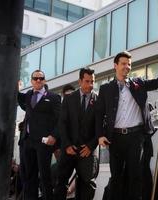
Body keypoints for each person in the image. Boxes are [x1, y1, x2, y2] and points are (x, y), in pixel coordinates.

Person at [96, 50, 158, 200]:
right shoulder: (105, 89)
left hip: (135, 137)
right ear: (115, 65)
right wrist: (100, 135)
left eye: (129, 64)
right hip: (115, 138)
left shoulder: (138, 84)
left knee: (135, 176)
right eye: (123, 64)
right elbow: (99, 113)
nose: (127, 67)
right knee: (116, 177)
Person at [54, 68, 99, 200]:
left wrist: (91, 146)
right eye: (87, 81)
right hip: (69, 150)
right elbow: (62, 124)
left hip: (87, 152)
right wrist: (67, 145)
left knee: (88, 185)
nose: (90, 85)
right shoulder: (68, 99)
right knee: (61, 184)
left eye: (92, 82)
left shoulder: (99, 100)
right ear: (80, 81)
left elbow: (101, 127)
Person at [17, 69, 61, 200]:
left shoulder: (53, 97)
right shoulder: (29, 95)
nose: (38, 80)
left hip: (43, 143)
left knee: (45, 177)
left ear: (44, 81)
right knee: (29, 178)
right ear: (31, 81)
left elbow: (60, 119)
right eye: (35, 78)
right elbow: (21, 101)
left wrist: (54, 136)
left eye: (41, 78)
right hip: (28, 141)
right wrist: (17, 89)